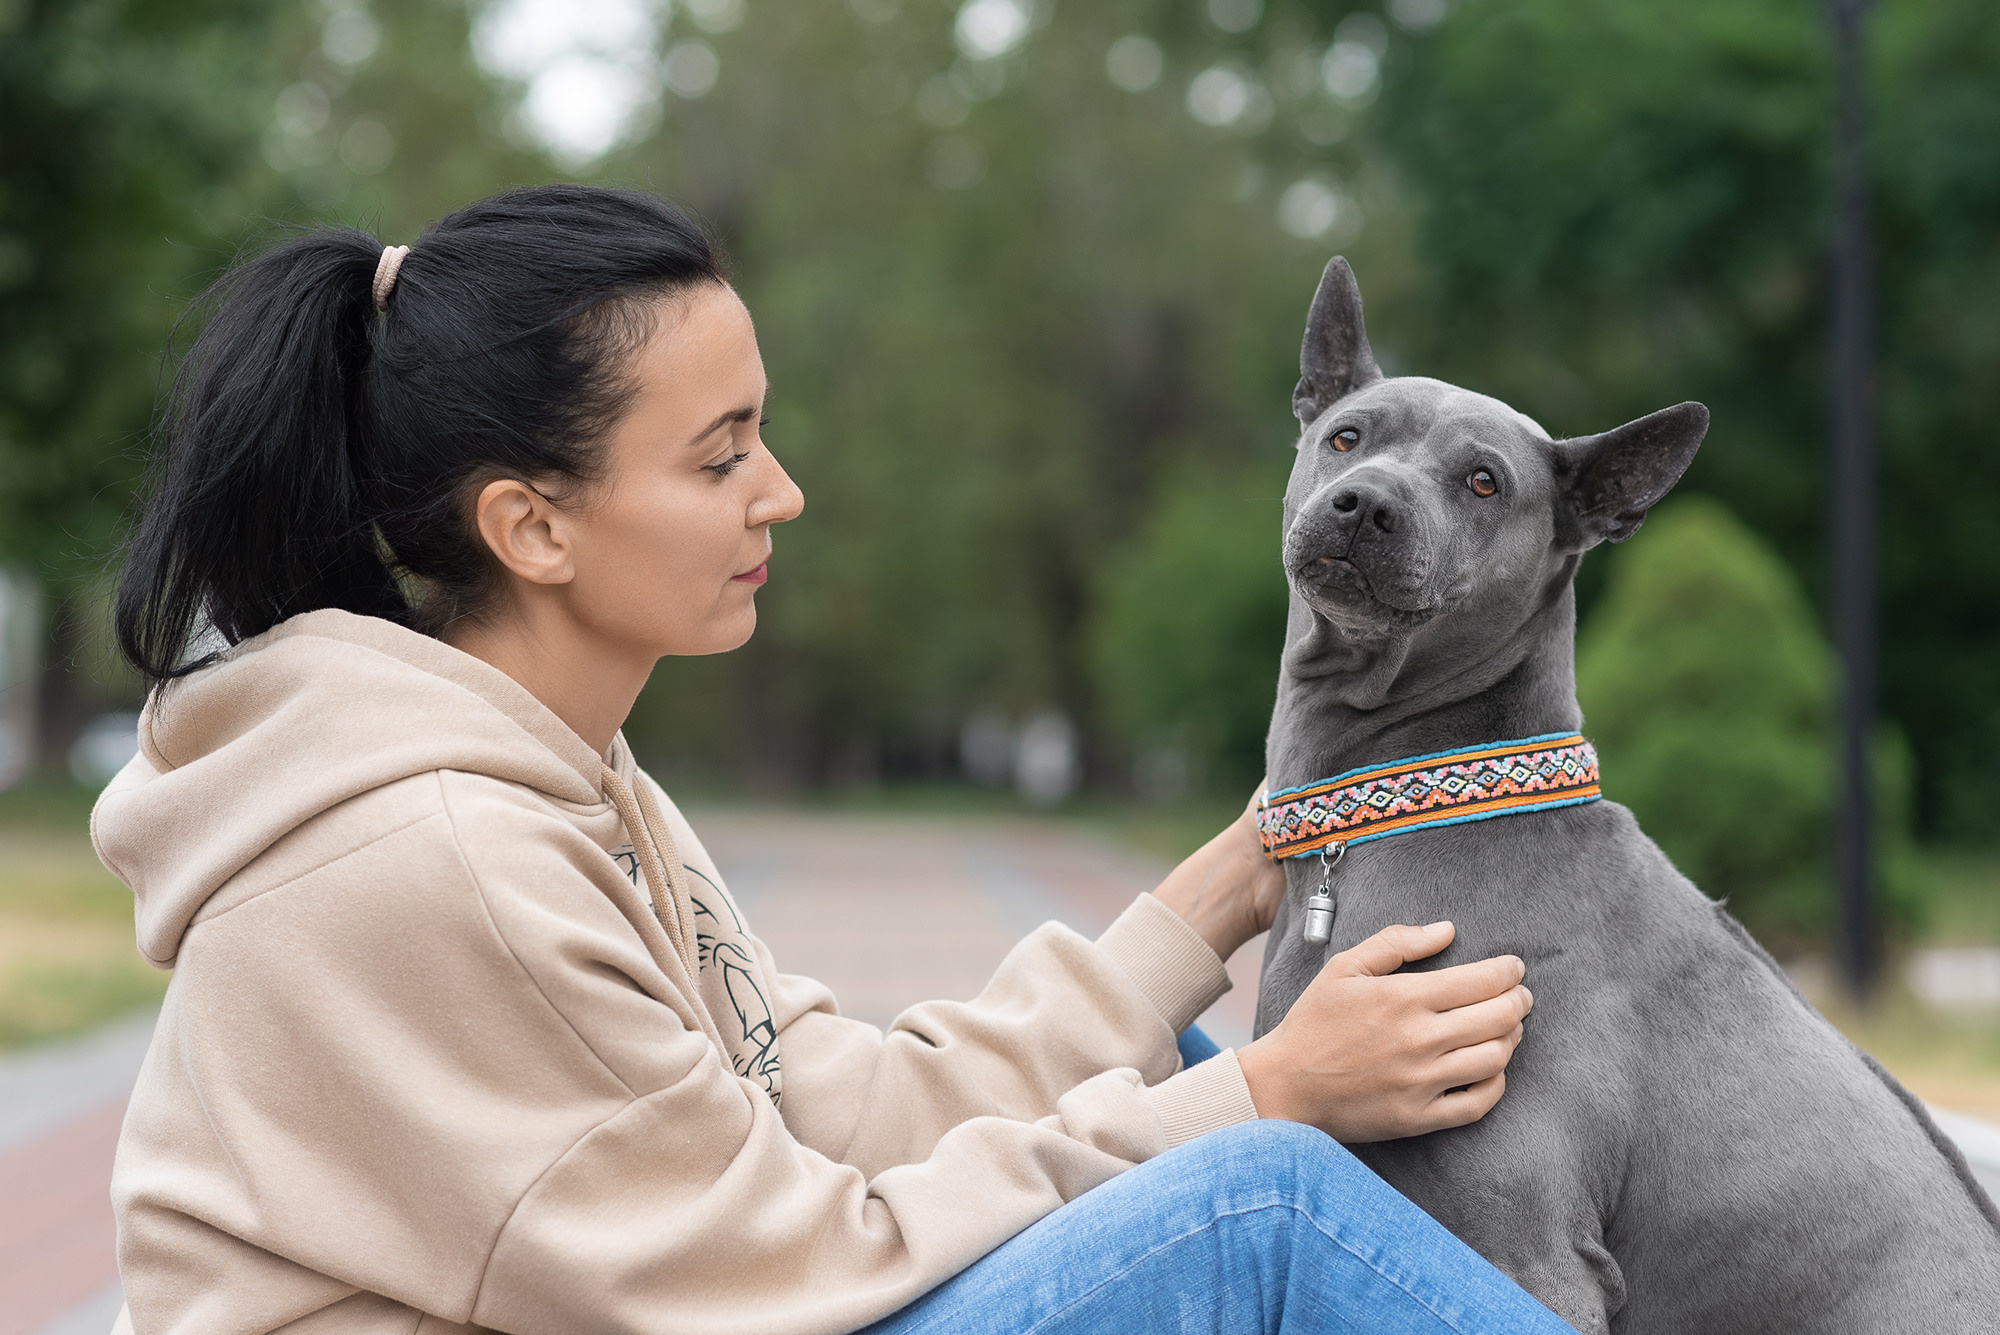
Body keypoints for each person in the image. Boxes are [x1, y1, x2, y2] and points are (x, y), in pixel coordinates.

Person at [96, 185, 1559, 1334]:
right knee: (1255, 1205)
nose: (780, 493)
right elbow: (784, 1271)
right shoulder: (443, 860)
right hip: (736, 1312)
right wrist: (1261, 1102)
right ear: (531, 525)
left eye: (763, 435)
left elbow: (827, 1111)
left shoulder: (568, 781)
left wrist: (1231, 883)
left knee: (1173, 1063)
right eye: (719, 454)